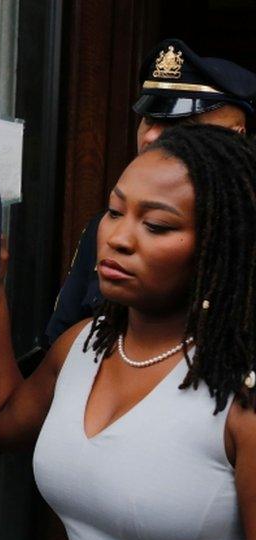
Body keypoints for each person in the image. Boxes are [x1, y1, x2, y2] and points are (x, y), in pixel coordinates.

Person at [0, 124, 256, 540]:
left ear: (220, 245)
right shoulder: (85, 343)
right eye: (113, 211)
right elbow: (4, 424)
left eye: (157, 225)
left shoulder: (240, 396)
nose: (118, 239)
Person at [45, 38, 256, 346]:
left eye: (182, 122)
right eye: (149, 119)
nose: (152, 136)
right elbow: (60, 349)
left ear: (236, 134)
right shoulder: (108, 228)